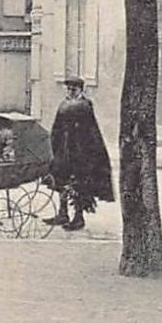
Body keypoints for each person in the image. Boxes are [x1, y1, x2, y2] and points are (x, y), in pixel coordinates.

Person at [47, 76, 114, 231]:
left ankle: (79, 217)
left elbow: (89, 130)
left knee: (78, 183)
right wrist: (52, 144)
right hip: (63, 149)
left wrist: (87, 152)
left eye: (74, 89)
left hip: (79, 151)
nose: (70, 91)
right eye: (69, 89)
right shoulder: (64, 104)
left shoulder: (84, 105)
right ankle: (63, 213)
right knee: (61, 180)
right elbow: (57, 126)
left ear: (81, 90)